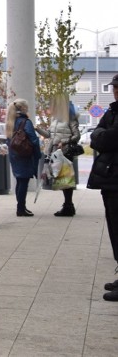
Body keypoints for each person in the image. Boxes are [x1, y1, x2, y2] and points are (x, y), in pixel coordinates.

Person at [89, 74, 118, 301]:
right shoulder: (111, 112)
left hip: (114, 177)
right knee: (114, 228)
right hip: (110, 178)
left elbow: (107, 138)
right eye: (114, 88)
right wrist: (102, 135)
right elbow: (96, 136)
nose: (114, 91)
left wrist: (103, 136)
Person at [5, 98, 42, 216]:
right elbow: (34, 140)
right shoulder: (26, 122)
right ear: (23, 108)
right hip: (24, 155)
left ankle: (21, 206)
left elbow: (8, 140)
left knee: (19, 180)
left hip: (14, 154)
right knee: (24, 181)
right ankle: (21, 208)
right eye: (27, 107)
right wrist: (38, 155)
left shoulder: (10, 121)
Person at [45, 94, 81, 216]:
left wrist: (63, 142)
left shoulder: (70, 118)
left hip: (66, 152)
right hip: (57, 152)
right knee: (62, 179)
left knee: (66, 179)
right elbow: (50, 135)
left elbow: (77, 135)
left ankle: (68, 206)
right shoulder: (54, 118)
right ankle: (68, 205)